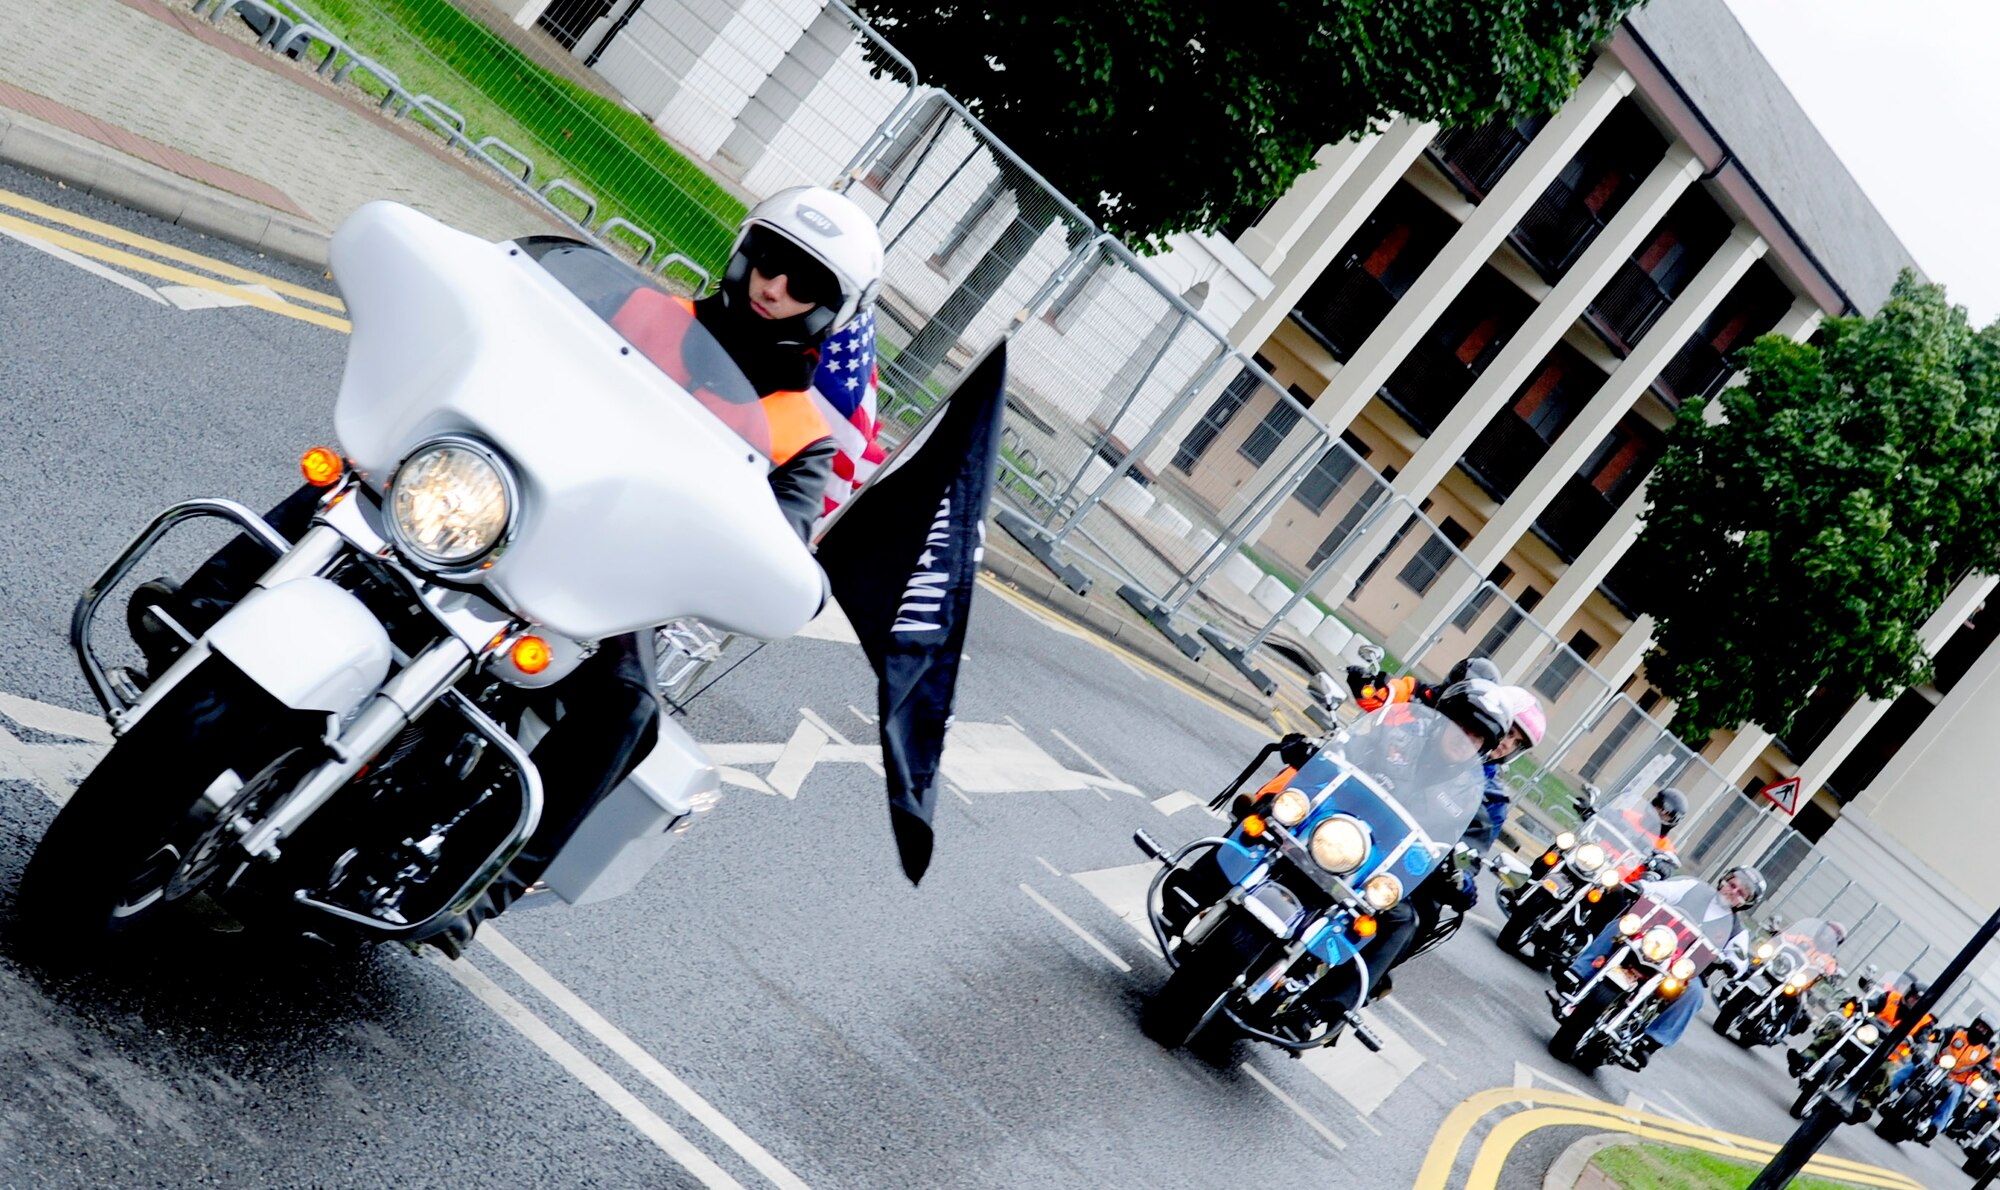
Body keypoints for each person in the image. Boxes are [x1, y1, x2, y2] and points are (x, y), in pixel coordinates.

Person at [125, 185, 886, 955]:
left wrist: (753, 569)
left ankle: (482, 886)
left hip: (602, 583)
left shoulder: (801, 439)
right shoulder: (637, 310)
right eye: (770, 259)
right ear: (745, 251)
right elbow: (512, 323)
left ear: (830, 309)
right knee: (360, 475)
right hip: (495, 496)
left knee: (628, 711)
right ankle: (199, 609)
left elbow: (777, 543)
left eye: (804, 282)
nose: (774, 286)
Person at [1557, 864, 1766, 1068]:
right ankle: (1578, 973)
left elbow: (1740, 959)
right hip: (1652, 940)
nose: (1733, 892)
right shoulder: (1693, 887)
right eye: (1733, 885)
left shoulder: (1737, 931)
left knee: (1695, 994)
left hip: (1681, 968)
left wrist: (1732, 964)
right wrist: (1642, 887)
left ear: (1745, 903)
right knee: (1621, 927)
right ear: (1724, 881)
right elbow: (1663, 890)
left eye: (1741, 893)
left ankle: (1651, 1042)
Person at [1883, 1015, 1994, 1139]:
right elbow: (1940, 1033)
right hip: (1935, 1065)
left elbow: (1989, 1069)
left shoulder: (1985, 1053)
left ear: (1988, 1035)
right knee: (1915, 1065)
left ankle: (1935, 1126)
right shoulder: (1957, 1031)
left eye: (1984, 1030)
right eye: (1979, 1026)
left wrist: (1985, 1073)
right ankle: (1885, 1090)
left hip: (1955, 1080)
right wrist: (1933, 1035)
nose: (1980, 1030)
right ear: (1974, 1023)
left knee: (1954, 1094)